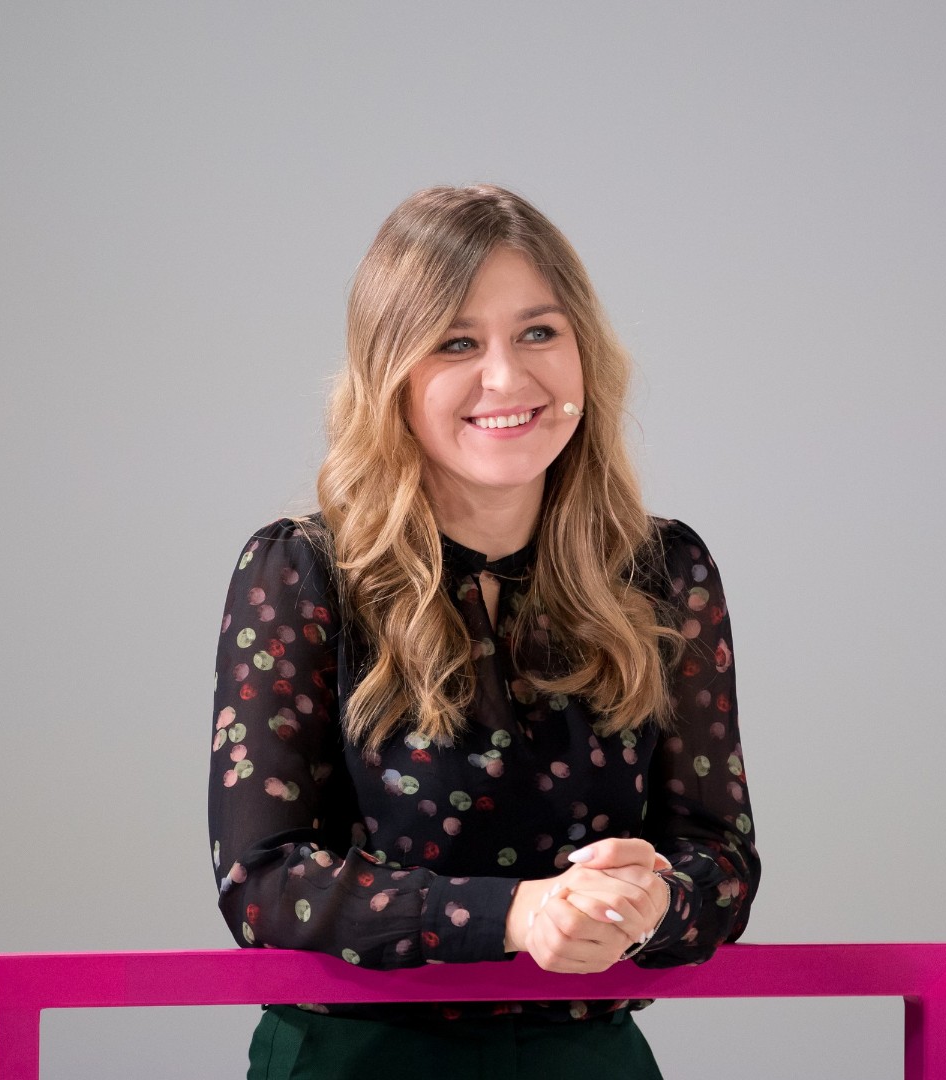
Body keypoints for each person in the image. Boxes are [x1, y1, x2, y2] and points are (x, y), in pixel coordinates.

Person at [208, 184, 760, 1079]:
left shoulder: (665, 572)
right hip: (358, 1061)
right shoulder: (302, 571)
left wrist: (654, 903)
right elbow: (263, 882)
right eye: (456, 343)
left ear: (584, 353)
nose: (506, 379)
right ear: (392, 374)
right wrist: (516, 915)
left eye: (539, 332)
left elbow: (723, 861)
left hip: (588, 1063)